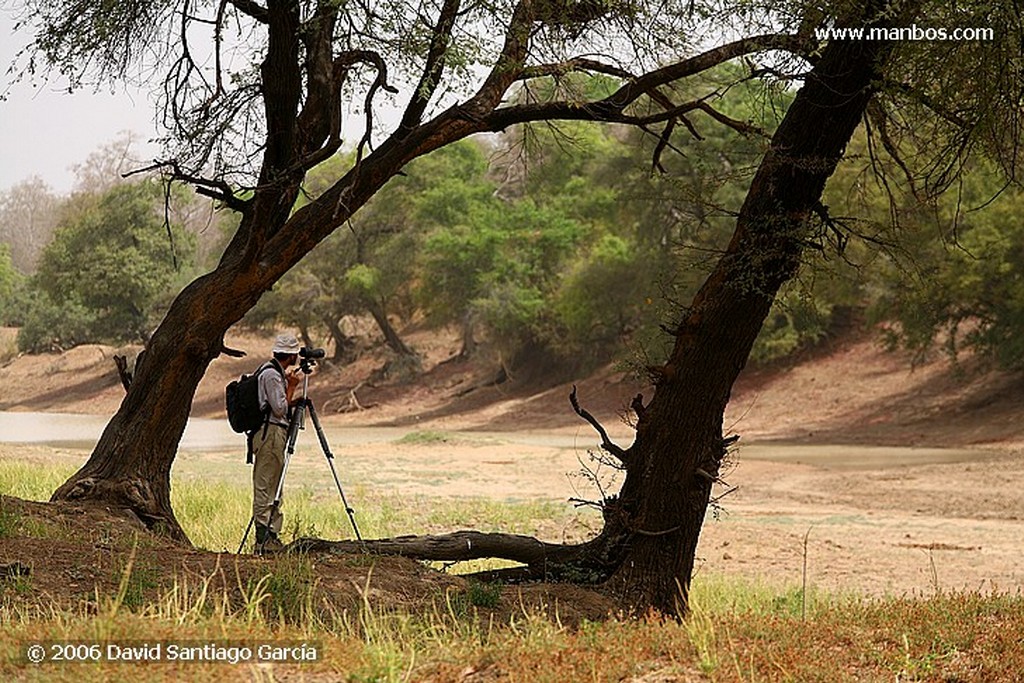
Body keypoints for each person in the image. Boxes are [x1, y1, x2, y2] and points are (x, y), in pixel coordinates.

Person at [251, 333, 303, 553]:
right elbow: (280, 409)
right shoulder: (271, 375)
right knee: (266, 486)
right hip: (270, 434)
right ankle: (263, 540)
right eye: (296, 354)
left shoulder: (274, 373)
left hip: (273, 433)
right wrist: (291, 386)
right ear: (290, 355)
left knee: (274, 485)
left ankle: (271, 537)